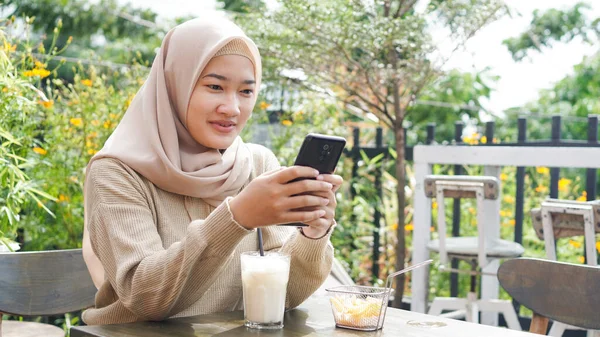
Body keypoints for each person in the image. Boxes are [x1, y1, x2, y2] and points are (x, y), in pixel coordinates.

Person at [80, 15, 342, 326]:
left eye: (246, 91)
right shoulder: (116, 172)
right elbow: (146, 298)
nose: (232, 108)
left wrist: (312, 235)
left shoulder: (257, 165)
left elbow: (282, 297)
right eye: (215, 86)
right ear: (175, 84)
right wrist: (238, 217)